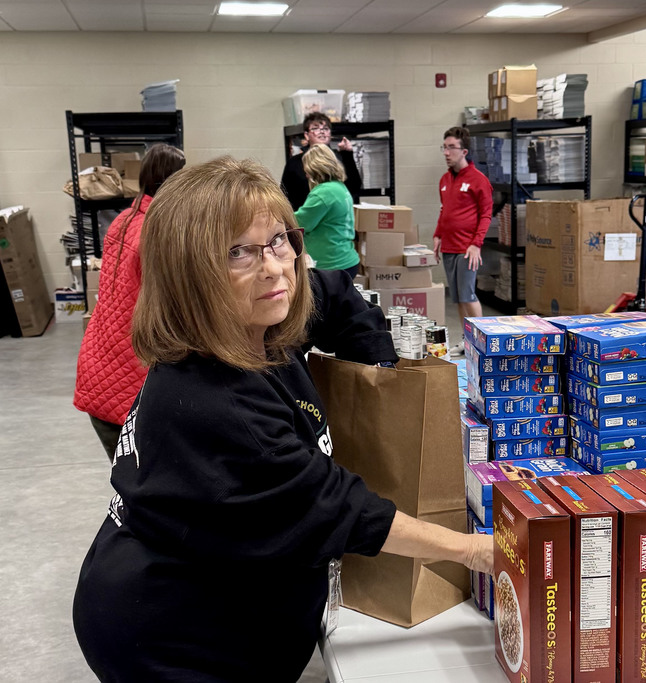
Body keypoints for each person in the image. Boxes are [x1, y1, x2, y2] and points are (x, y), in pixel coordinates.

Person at [72, 157, 493, 682]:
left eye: (278, 240)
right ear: (189, 276)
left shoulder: (262, 316)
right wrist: (473, 550)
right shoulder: (212, 401)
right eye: (236, 253)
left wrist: (384, 375)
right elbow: (342, 511)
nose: (274, 267)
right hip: (176, 636)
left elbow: (335, 296)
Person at [73, 142, 186, 462]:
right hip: (131, 384)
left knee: (133, 482)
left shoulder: (126, 217)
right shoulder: (159, 228)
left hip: (99, 367)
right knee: (153, 486)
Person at [433, 126, 493, 355]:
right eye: (444, 147)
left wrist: (476, 244)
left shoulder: (478, 180)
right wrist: (438, 235)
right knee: (458, 298)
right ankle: (466, 339)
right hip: (448, 247)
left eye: (451, 148)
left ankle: (482, 341)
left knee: (468, 295)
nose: (446, 152)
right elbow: (444, 210)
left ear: (464, 151)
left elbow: (486, 215)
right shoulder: (444, 180)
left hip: (467, 249)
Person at [294, 143, 359, 277]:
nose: (305, 174)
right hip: (346, 260)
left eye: (306, 169)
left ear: (314, 168)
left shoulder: (323, 193)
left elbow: (300, 222)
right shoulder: (339, 187)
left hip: (330, 266)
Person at [281, 112, 362, 210]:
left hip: (334, 214)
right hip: (305, 216)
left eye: (325, 128)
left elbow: (354, 187)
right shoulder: (295, 162)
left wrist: (348, 154)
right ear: (306, 135)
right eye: (315, 128)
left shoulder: (340, 157)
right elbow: (284, 195)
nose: (322, 131)